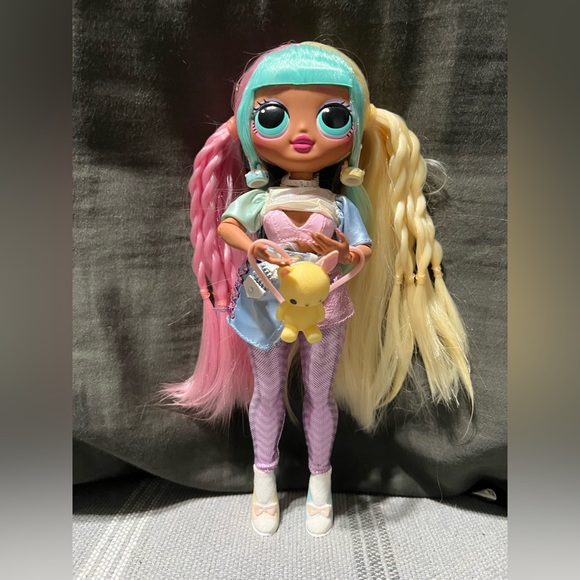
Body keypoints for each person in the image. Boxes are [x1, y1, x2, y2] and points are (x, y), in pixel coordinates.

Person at [165, 42, 473, 537]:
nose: (303, 134)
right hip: (267, 302)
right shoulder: (260, 199)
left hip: (325, 305)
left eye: (332, 117)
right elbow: (227, 226)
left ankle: (319, 482)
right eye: (273, 118)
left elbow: (364, 248)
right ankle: (263, 481)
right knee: (266, 393)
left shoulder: (340, 204)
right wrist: (254, 245)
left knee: (319, 394)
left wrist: (344, 249)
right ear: (249, 129)